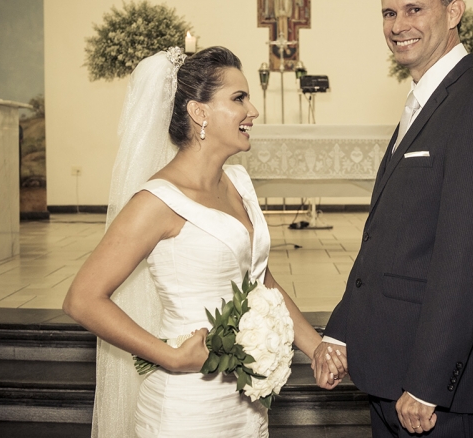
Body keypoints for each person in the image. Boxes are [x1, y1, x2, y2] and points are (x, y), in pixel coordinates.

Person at [63, 46, 344, 437]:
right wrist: (171, 357)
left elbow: (260, 280)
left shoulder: (238, 183)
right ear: (199, 112)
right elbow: (82, 299)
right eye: (239, 98)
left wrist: (316, 347)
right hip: (187, 407)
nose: (253, 111)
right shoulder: (158, 201)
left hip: (245, 400)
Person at [312, 0, 473, 437]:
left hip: (439, 397)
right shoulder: (425, 101)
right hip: (391, 372)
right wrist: (341, 331)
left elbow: (468, 258)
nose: (398, 25)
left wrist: (428, 383)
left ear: (453, 12)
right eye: (389, 12)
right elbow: (388, 239)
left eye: (414, 9)